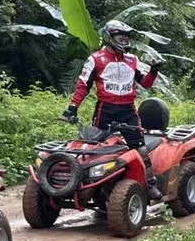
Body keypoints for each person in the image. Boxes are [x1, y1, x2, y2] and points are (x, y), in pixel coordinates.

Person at [62, 20, 163, 196]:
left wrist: (153, 72)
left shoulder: (133, 60)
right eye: (121, 37)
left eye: (126, 38)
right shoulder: (95, 59)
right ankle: (92, 187)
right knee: (96, 148)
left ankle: (150, 184)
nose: (124, 41)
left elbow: (145, 84)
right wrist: (72, 108)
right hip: (105, 110)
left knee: (140, 149)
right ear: (109, 37)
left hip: (128, 111)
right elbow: (83, 85)